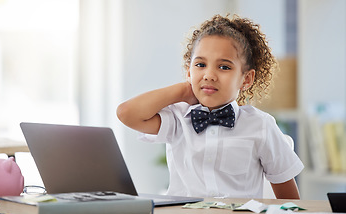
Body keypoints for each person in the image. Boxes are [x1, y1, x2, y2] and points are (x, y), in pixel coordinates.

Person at [117, 14, 304, 199]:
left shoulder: (261, 125)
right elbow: (126, 113)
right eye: (200, 64)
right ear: (189, 71)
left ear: (246, 79)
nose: (209, 75)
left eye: (224, 67)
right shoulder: (177, 119)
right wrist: (183, 91)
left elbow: (289, 202)